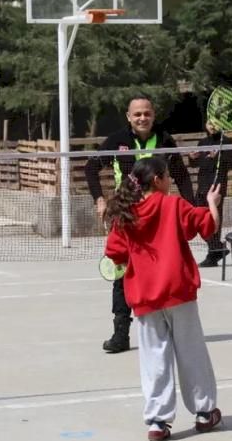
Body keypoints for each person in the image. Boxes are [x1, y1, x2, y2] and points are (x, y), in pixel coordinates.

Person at [104, 157, 222, 441]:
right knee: (192, 353)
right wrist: (213, 202)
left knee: (154, 359)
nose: (170, 181)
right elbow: (209, 226)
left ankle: (158, 422)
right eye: (168, 176)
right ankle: (204, 412)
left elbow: (114, 255)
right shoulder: (174, 205)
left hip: (145, 298)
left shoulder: (124, 215)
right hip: (179, 292)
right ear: (157, 179)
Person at [84, 95, 194, 354]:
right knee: (121, 276)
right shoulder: (116, 141)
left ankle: (167, 328)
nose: (142, 118)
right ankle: (121, 333)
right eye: (137, 114)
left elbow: (181, 176)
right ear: (128, 117)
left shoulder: (166, 140)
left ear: (153, 115)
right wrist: (100, 200)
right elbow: (90, 169)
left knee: (164, 271)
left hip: (158, 219)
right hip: (127, 217)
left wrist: (191, 206)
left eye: (147, 113)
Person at [188, 121, 232, 267]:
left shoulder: (227, 142)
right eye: (209, 123)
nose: (212, 126)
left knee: (214, 220)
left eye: (215, 123)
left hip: (217, 188)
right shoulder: (202, 142)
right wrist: (192, 158)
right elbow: (194, 165)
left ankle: (213, 254)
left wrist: (219, 157)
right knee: (198, 220)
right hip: (202, 186)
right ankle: (218, 247)